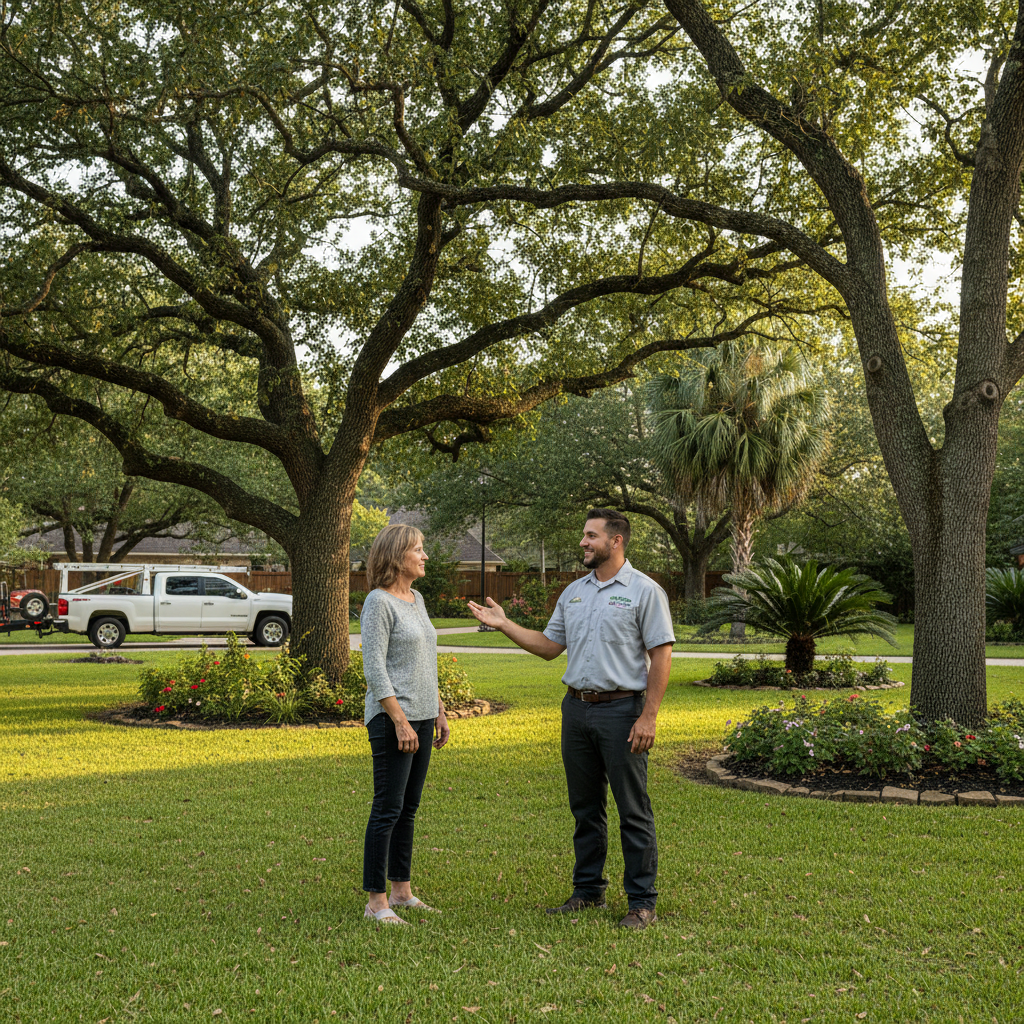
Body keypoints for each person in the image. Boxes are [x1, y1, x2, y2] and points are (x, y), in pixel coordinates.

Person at [468, 509, 674, 929]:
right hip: (576, 710)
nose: (583, 542)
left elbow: (661, 654)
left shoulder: (644, 591)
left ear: (615, 541)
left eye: (591, 535)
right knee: (585, 808)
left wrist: (648, 717)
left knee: (632, 809)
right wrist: (505, 625)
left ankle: (641, 902)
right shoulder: (574, 593)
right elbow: (549, 646)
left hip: (622, 711)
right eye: (584, 535)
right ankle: (588, 892)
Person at [361, 523, 450, 925]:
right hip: (393, 719)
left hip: (424, 716)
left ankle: (401, 892)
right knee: (388, 808)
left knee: (408, 808)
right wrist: (399, 720)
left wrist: (439, 709)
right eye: (418, 549)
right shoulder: (378, 602)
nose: (425, 555)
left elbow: (426, 661)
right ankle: (376, 901)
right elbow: (374, 668)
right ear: (397, 557)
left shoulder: (417, 599)